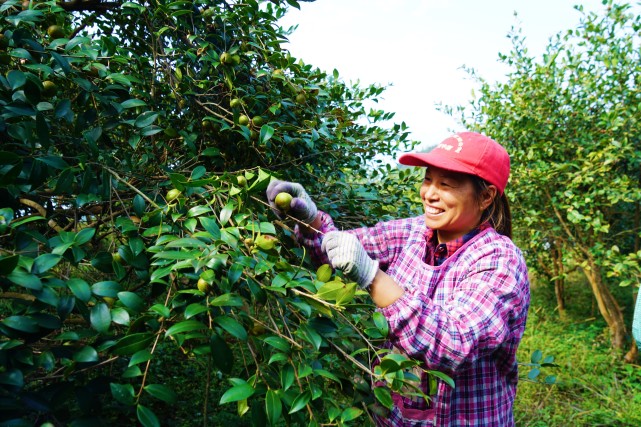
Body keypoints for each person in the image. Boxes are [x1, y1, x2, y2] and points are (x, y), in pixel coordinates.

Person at [266, 132, 530, 427]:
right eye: (428, 180)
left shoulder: (499, 259)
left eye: (446, 184)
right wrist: (311, 219)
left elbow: (454, 345)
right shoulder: (411, 233)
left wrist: (372, 277)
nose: (430, 193)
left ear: (486, 196)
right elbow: (340, 248)